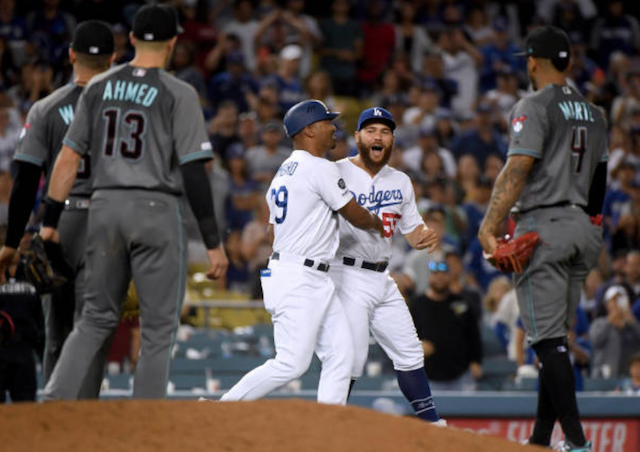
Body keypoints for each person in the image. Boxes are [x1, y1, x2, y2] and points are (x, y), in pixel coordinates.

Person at [39, 4, 228, 400]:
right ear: (173, 42)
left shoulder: (98, 86)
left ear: (133, 40)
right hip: (156, 210)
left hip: (104, 207)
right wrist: (212, 241)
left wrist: (50, 219)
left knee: (94, 318)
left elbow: (68, 158)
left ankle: (53, 402)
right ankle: (145, 421)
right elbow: (194, 170)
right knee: (158, 329)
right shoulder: (179, 92)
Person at [478, 26, 608, 452]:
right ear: (568, 62)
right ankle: (538, 439)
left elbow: (518, 168)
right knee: (556, 341)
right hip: (583, 228)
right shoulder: (595, 112)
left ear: (533, 61)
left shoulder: (533, 104)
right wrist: (590, 228)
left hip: (544, 227)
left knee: (547, 342)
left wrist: (490, 225)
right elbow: (600, 181)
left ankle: (576, 442)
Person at [218, 100, 384, 405]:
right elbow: (357, 216)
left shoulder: (284, 171)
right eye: (327, 122)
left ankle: (328, 427)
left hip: (305, 273)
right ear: (309, 130)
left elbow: (272, 231)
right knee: (291, 363)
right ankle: (225, 406)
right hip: (298, 276)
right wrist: (378, 221)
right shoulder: (318, 166)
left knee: (341, 356)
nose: (334, 127)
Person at [0, 20, 115, 398]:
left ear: (70, 55)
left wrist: (13, 240)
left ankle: (54, 414)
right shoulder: (123, 109)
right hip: (109, 222)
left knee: (58, 329)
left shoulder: (46, 107)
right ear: (113, 59)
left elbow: (27, 179)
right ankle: (85, 413)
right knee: (94, 327)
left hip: (60, 222)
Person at [329, 107, 445, 424]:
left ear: (392, 139)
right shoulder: (335, 171)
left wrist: (424, 235)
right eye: (371, 130)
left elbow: (412, 229)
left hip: (382, 276)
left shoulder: (402, 181)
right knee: (350, 359)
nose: (377, 136)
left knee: (409, 352)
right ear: (357, 137)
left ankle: (434, 424)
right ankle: (327, 426)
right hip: (345, 272)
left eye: (384, 131)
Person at [410, 260, 483, 391]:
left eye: (444, 274)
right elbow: (404, 337)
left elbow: (473, 335)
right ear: (430, 277)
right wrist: (417, 348)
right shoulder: (417, 305)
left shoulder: (461, 304)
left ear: (450, 277)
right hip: (427, 375)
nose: (440, 277)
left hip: (460, 374)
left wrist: (476, 361)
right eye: (435, 274)